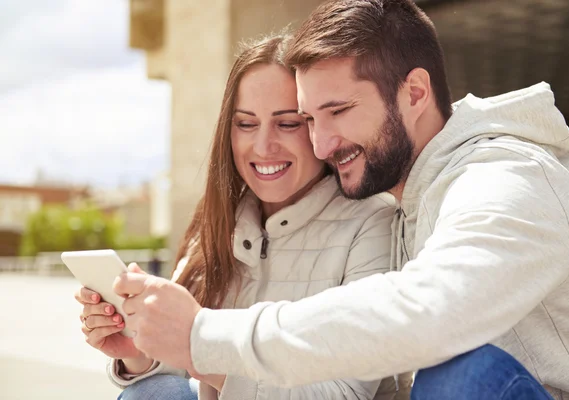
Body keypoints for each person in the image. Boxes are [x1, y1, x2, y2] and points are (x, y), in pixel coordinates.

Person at [107, 0, 569, 399]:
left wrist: (205, 336)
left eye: (338, 111)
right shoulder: (412, 199)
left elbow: (423, 316)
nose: (321, 144)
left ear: (414, 92)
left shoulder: (504, 179)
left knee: (459, 373)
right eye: (311, 119)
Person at [75, 34, 400, 400]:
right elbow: (181, 374)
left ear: (316, 127)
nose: (263, 147)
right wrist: (138, 354)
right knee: (154, 391)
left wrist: (202, 349)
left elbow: (346, 393)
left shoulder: (371, 223)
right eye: (246, 124)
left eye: (288, 123)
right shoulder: (216, 222)